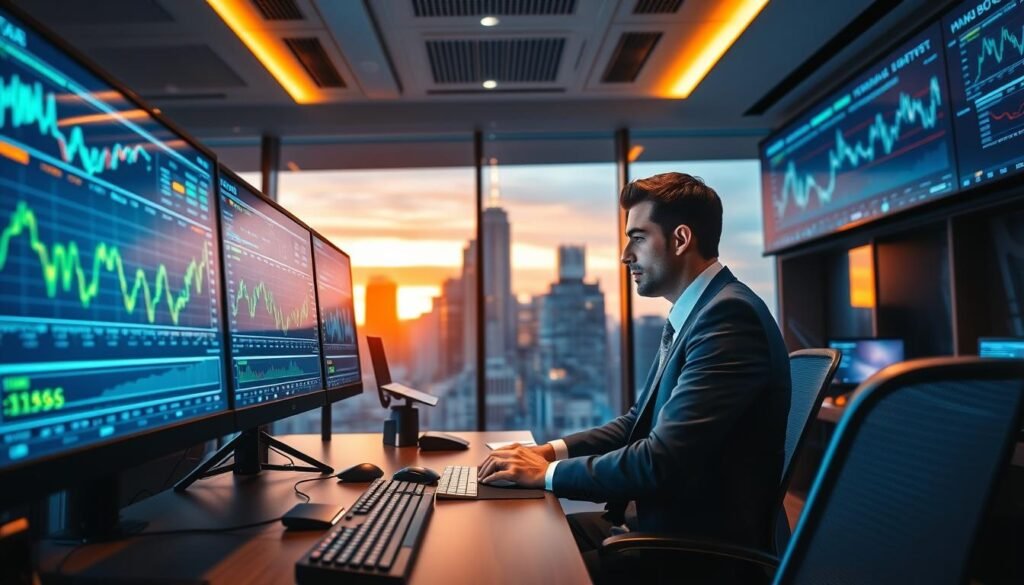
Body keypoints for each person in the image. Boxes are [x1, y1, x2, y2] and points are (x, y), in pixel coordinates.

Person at [478, 172, 790, 583]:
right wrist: (548, 453)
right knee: (518, 540)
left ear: (680, 239)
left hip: (694, 556)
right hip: (659, 527)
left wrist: (544, 476)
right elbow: (636, 423)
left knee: (523, 570)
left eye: (638, 237)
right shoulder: (699, 313)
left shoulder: (728, 319)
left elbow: (660, 461)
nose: (626, 254)